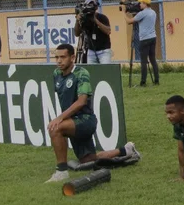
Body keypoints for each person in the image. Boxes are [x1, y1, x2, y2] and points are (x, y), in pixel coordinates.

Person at [45, 43, 141, 183]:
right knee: (88, 160)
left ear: (72, 57)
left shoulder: (81, 73)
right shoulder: (56, 74)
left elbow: (82, 101)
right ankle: (126, 150)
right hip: (71, 121)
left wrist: (59, 118)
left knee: (55, 128)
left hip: (85, 120)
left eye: (63, 57)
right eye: (57, 57)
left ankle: (61, 171)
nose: (59, 61)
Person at [125, 0, 159, 86]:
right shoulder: (153, 12)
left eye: (141, 3)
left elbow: (129, 21)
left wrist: (124, 14)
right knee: (153, 60)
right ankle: (156, 80)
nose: (139, 5)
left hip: (144, 39)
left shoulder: (142, 13)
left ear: (145, 4)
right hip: (153, 37)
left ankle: (143, 82)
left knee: (143, 61)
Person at [74, 0, 113, 64]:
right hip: (91, 50)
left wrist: (95, 20)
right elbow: (77, 33)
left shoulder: (102, 17)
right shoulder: (84, 18)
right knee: (92, 71)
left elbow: (108, 31)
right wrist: (77, 21)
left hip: (104, 50)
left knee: (105, 71)